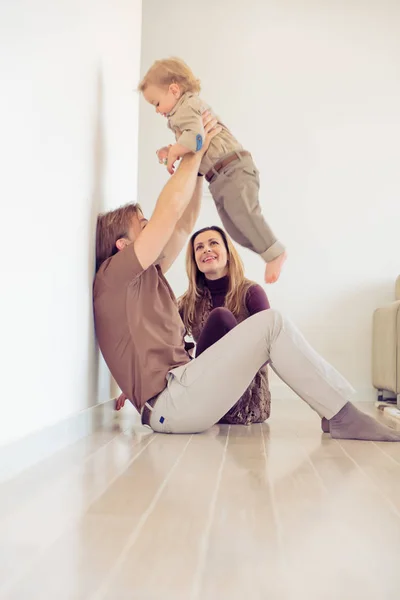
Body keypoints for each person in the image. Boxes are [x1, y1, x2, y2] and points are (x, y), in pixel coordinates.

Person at [93, 112, 400, 442]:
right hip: (171, 405)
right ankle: (342, 415)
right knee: (272, 324)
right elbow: (169, 214)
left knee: (269, 323)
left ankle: (336, 413)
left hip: (181, 394)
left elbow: (182, 224)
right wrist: (195, 146)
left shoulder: (145, 276)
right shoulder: (114, 276)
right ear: (123, 246)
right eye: (143, 224)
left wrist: (200, 165)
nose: (151, 224)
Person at [138, 57, 287, 284]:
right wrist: (171, 149)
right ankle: (266, 252)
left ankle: (275, 253)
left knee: (245, 214)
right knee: (234, 228)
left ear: (174, 90)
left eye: (156, 103)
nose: (157, 110)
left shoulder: (186, 107)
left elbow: (196, 141)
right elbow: (192, 139)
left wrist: (174, 153)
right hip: (218, 177)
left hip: (232, 168)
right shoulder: (182, 113)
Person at [179, 225, 272, 425]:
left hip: (245, 395)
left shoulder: (251, 292)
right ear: (195, 260)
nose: (206, 250)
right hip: (206, 389)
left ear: (228, 254)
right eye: (199, 247)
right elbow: (163, 339)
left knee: (220, 317)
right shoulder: (188, 302)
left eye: (213, 243)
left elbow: (268, 350)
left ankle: (198, 398)